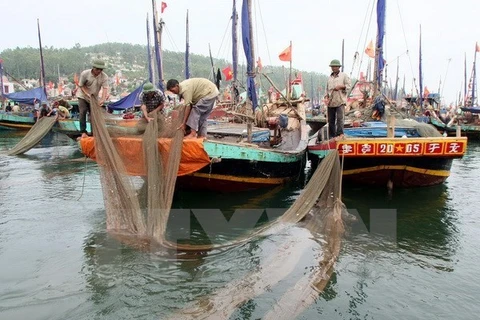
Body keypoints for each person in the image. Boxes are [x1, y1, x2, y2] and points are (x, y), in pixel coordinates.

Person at [77, 59, 109, 139]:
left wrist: (102, 99)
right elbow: (81, 85)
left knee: (93, 115)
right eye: (97, 69)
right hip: (83, 96)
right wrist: (87, 93)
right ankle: (83, 132)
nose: (99, 71)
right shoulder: (85, 74)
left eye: (101, 69)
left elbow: (105, 88)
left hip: (94, 98)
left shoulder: (104, 77)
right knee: (83, 111)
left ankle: (94, 132)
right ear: (93, 68)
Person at [325, 59, 351, 138]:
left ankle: (340, 134)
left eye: (336, 66)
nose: (334, 68)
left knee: (340, 119)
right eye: (333, 67)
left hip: (340, 101)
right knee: (331, 120)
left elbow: (348, 86)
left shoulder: (344, 76)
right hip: (331, 102)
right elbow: (327, 90)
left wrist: (341, 87)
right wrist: (326, 97)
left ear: (339, 67)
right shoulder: (330, 78)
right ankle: (332, 136)